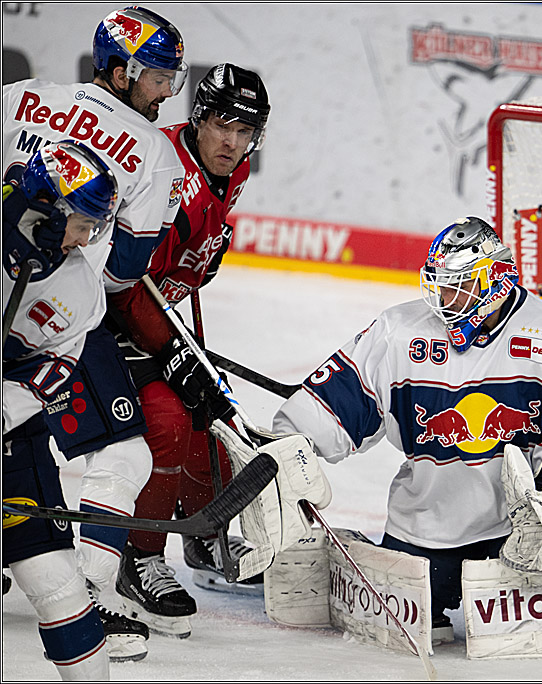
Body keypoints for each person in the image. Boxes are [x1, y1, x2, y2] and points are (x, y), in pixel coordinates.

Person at [272, 217, 542, 640]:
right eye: (440, 285)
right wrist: (291, 447)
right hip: (428, 527)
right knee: (409, 628)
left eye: (459, 286)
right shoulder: (399, 332)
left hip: (517, 535)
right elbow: (337, 404)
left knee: (522, 627)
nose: (445, 300)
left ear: (496, 281)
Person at [2, 5, 189, 661]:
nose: (168, 92)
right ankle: (89, 591)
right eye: (160, 76)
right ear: (123, 68)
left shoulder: (20, 97)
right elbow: (121, 274)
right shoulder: (158, 156)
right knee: (124, 455)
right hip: (58, 313)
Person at [105, 63, 271, 637]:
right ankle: (141, 556)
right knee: (173, 421)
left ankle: (205, 534)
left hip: (157, 312)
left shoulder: (232, 169)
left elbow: (181, 266)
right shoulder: (166, 173)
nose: (233, 141)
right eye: (223, 124)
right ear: (199, 117)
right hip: (107, 316)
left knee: (212, 414)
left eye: (246, 130)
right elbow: (126, 283)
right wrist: (171, 352)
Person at [3, 141, 119, 680]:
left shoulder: (78, 288)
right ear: (47, 208)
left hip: (14, 442)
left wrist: (5, 411)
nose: (86, 240)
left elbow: (57, 366)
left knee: (56, 583)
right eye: (81, 224)